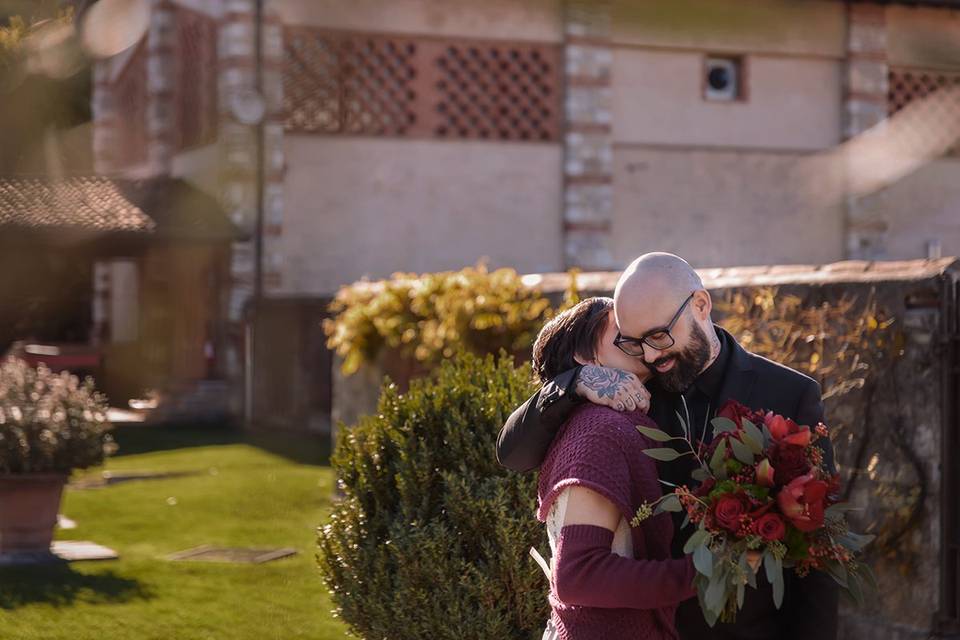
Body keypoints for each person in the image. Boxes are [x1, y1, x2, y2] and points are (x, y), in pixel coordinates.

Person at [499, 253, 838, 640]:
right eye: (634, 342)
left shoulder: (790, 394)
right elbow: (513, 453)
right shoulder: (629, 389)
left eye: (659, 336)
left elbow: (815, 547)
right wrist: (575, 379)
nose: (650, 355)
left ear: (700, 305)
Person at [531, 296, 696, 640]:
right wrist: (704, 574)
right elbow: (578, 575)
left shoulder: (614, 421)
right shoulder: (600, 430)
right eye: (623, 332)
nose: (639, 337)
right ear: (584, 358)